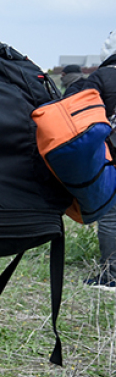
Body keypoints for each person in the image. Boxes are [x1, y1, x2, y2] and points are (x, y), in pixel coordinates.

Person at [75, 30, 116, 289]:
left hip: (111, 157)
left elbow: (81, 116)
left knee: (111, 216)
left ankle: (111, 274)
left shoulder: (103, 77)